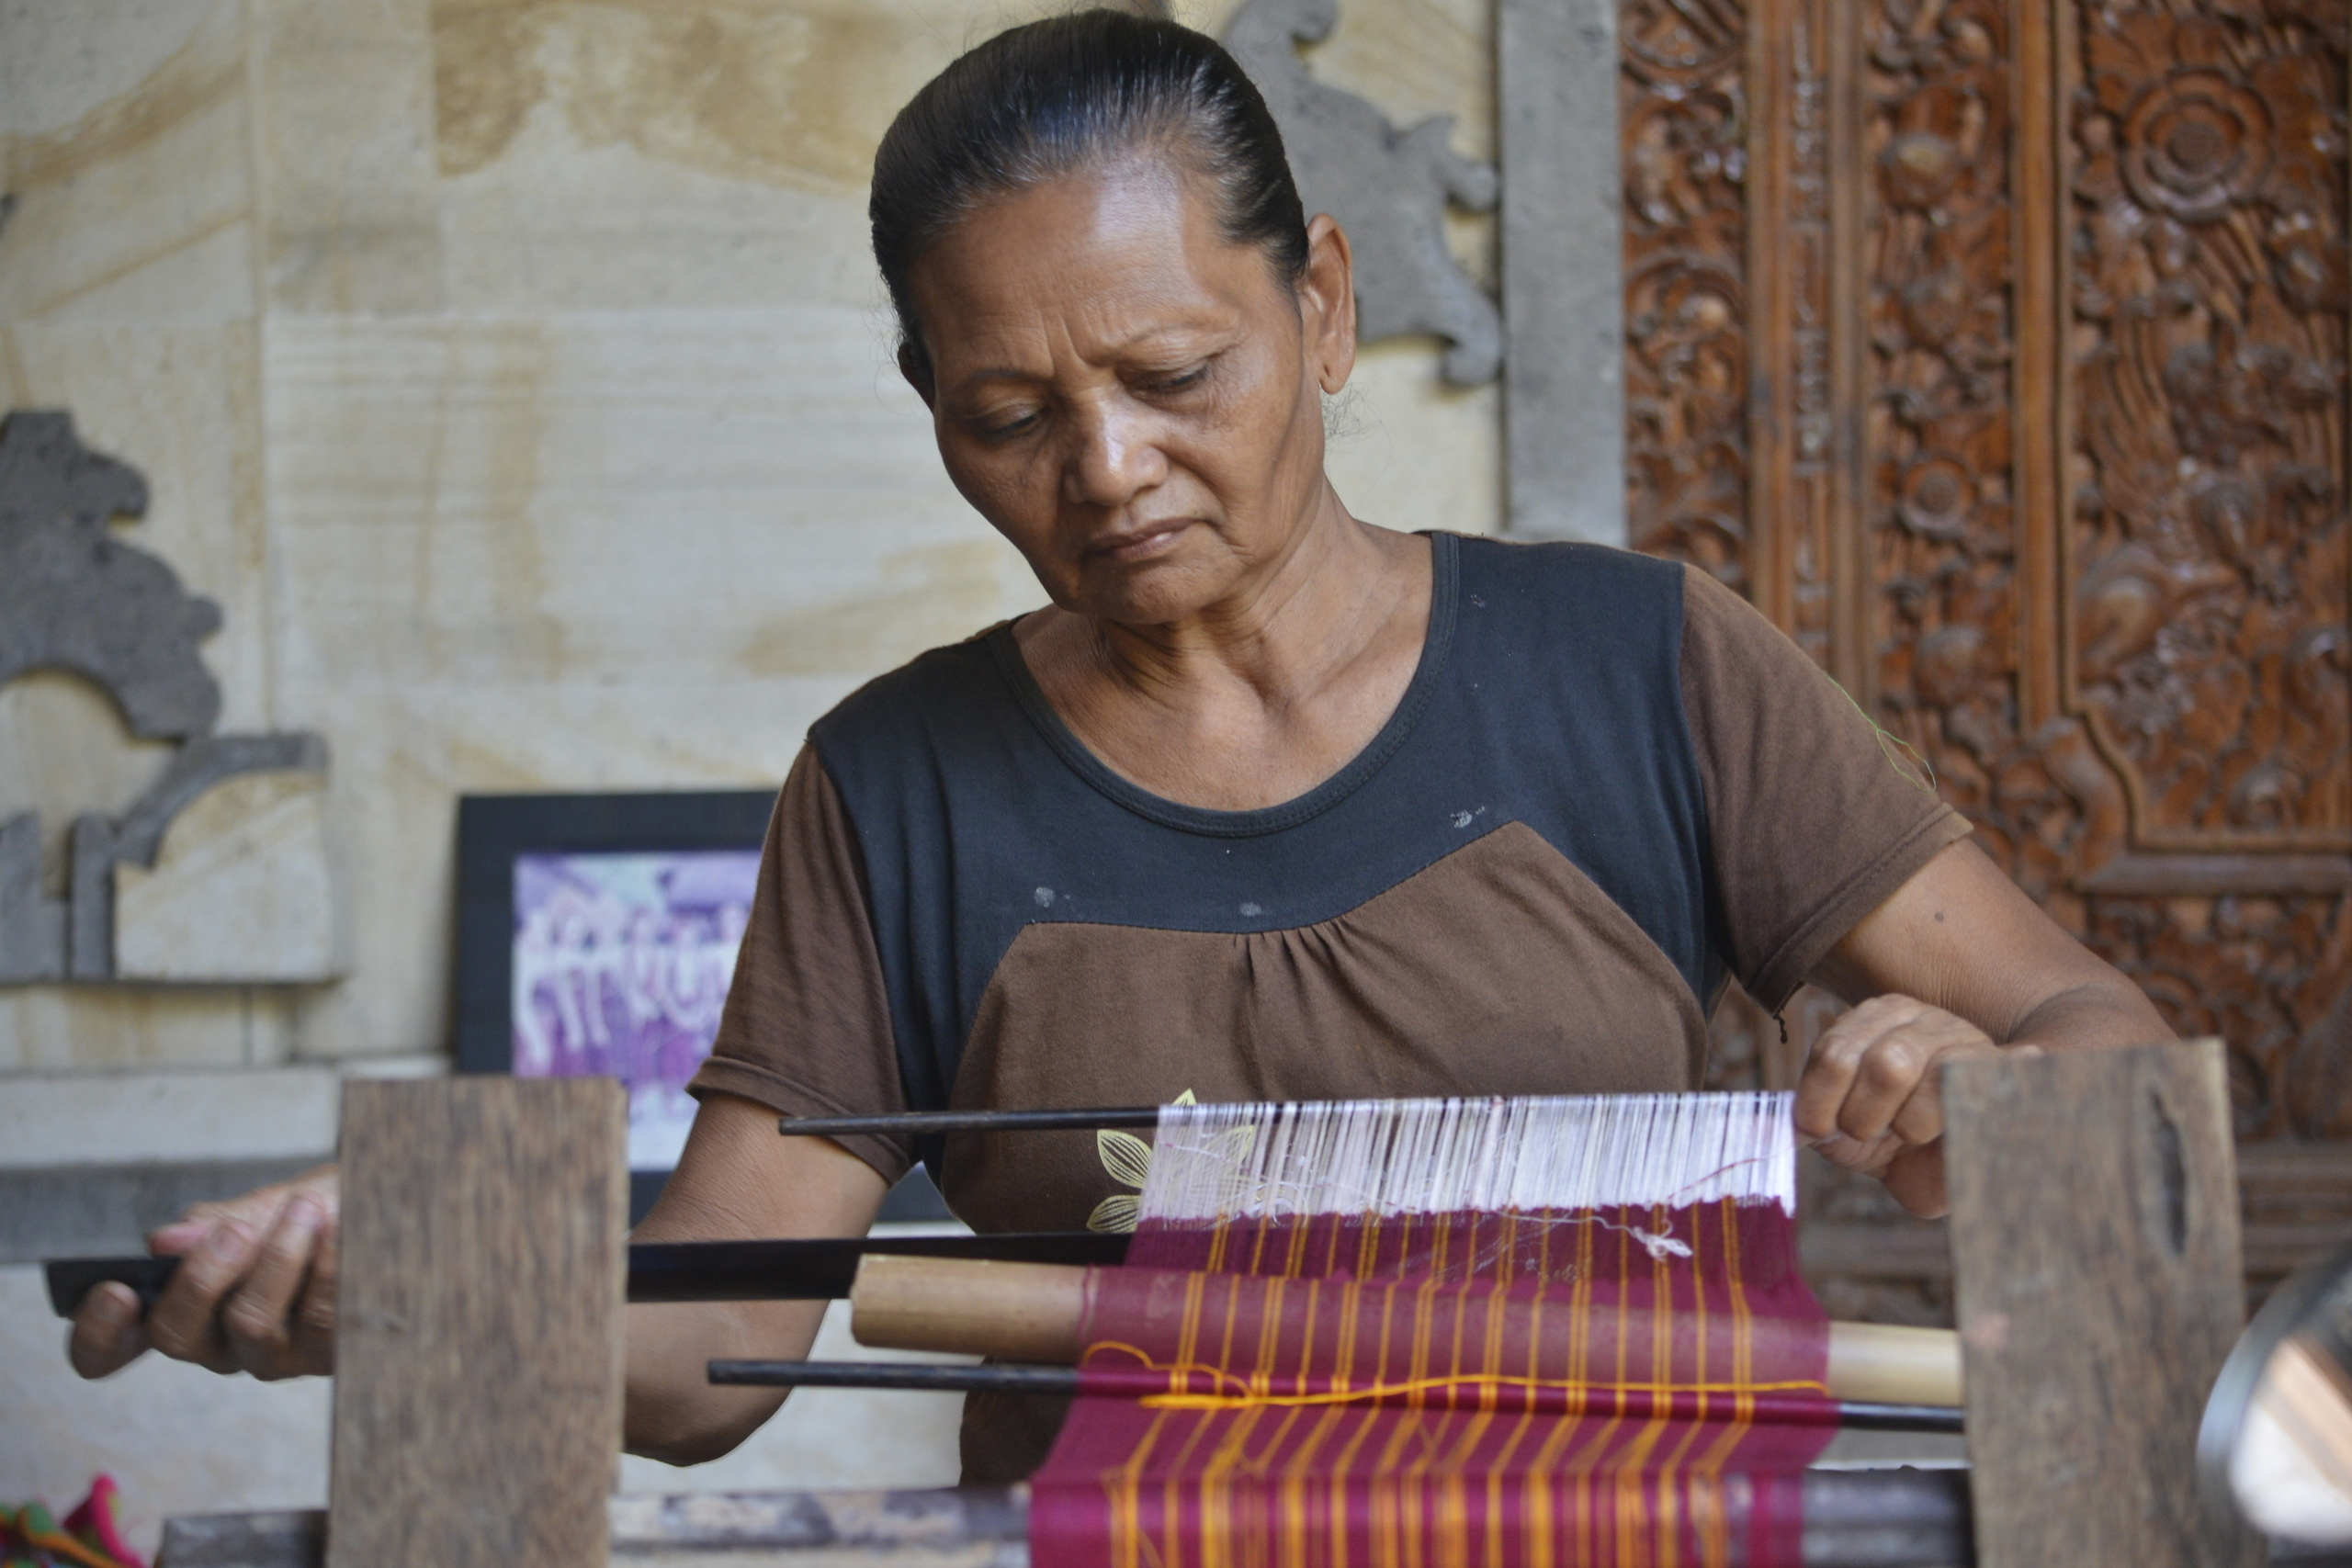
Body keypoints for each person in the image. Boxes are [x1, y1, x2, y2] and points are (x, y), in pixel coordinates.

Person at [65, 8, 2172, 1485]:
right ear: (929, 408)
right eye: (1006, 415)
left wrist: (1983, 1086)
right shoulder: (898, 785)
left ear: (1324, 309)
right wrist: (430, 1276)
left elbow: (2093, 1025)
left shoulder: (1632, 664)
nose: (1107, 467)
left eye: (1175, 370)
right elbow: (713, 1343)